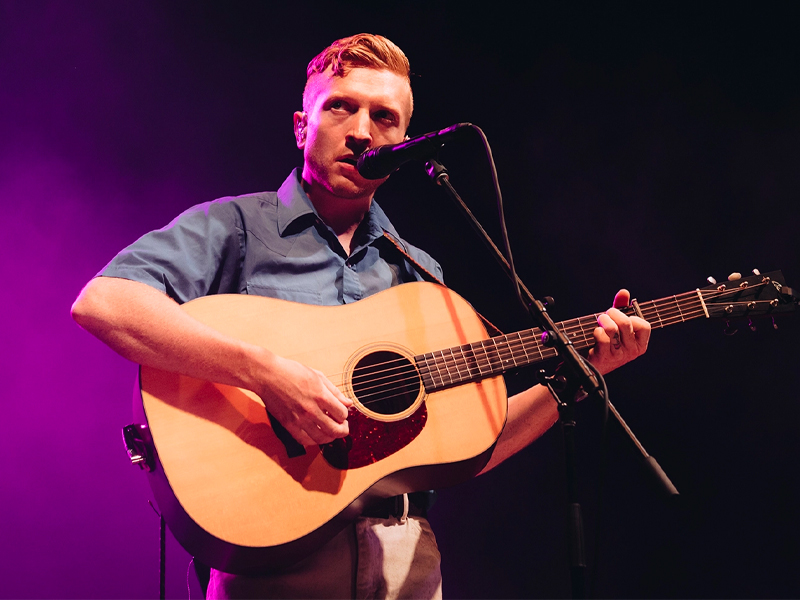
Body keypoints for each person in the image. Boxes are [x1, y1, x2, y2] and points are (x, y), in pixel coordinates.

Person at [71, 33, 650, 599]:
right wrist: (264, 371)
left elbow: (465, 448)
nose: (363, 131)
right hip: (270, 561)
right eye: (341, 108)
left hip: (405, 561)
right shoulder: (235, 229)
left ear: (403, 141)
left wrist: (582, 375)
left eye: (386, 118)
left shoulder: (419, 273)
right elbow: (105, 303)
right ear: (303, 126)